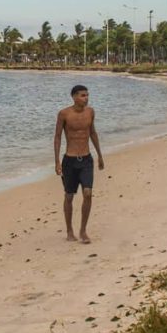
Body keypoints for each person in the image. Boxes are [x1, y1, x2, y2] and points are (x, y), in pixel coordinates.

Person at [53, 84, 105, 243]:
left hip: (86, 159)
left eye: (87, 95)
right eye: (83, 95)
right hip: (70, 160)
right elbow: (57, 137)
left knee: (88, 193)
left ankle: (83, 231)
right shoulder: (64, 114)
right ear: (74, 97)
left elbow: (93, 133)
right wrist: (57, 161)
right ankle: (69, 231)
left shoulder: (90, 112)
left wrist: (100, 155)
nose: (86, 98)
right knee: (69, 196)